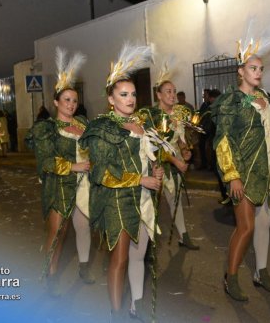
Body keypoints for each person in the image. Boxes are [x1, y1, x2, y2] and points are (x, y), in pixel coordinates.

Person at [81, 42, 163, 320]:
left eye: (133, 94)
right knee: (120, 259)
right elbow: (102, 173)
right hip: (117, 202)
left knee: (140, 256)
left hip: (142, 199)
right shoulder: (103, 128)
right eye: (123, 94)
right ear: (111, 99)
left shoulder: (141, 124)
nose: (130, 99)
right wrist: (141, 179)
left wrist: (156, 170)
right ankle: (116, 313)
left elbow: (149, 156)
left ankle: (135, 304)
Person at [212, 40, 270, 301]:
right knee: (245, 227)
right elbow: (222, 141)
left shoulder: (264, 98)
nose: (258, 72)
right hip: (242, 173)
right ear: (240, 71)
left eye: (261, 68)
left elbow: (268, 135)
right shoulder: (230, 102)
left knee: (264, 225)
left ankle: (261, 272)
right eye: (252, 68)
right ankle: (230, 277)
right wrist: (232, 176)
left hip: (265, 172)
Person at [25, 48, 94, 297]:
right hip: (59, 186)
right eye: (66, 100)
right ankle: (50, 276)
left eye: (74, 101)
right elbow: (45, 161)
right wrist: (73, 166)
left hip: (84, 185)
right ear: (56, 102)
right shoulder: (47, 129)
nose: (72, 104)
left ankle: (84, 267)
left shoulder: (83, 124)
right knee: (58, 234)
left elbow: (95, 149)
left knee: (84, 226)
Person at [147, 77, 199, 250]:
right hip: (155, 164)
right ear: (159, 95)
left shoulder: (178, 113)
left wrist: (185, 151)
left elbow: (180, 139)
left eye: (174, 91)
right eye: (168, 91)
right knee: (151, 204)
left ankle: (183, 236)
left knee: (175, 199)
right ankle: (147, 243)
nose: (173, 95)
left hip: (175, 162)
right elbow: (154, 147)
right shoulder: (153, 116)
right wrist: (176, 161)